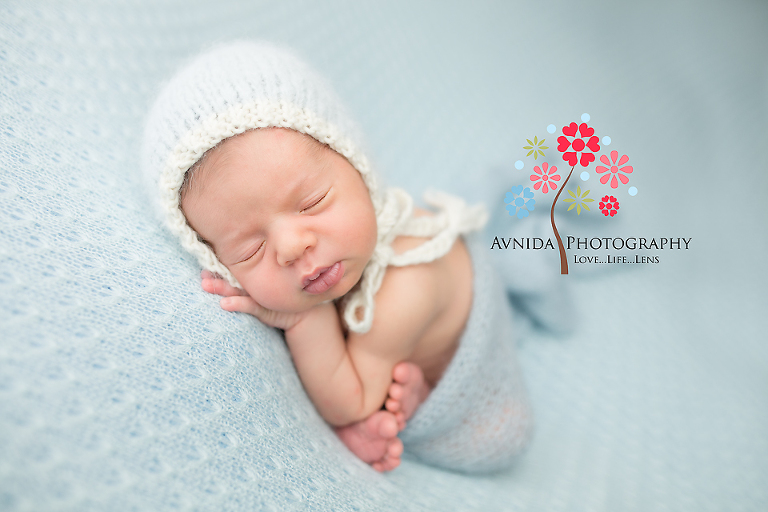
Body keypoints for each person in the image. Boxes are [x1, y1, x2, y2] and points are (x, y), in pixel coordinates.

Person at [142, 41, 533, 473]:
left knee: (501, 437)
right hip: (389, 340)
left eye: (311, 202)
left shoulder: (406, 286)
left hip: (462, 338)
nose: (293, 248)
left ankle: (426, 397)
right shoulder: (338, 247)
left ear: (359, 167)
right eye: (250, 249)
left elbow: (352, 401)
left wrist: (304, 320)